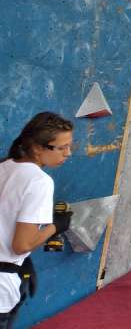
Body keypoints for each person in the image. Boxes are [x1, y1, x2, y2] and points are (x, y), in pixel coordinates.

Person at [1, 112, 74, 328]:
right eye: (61, 147)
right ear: (36, 148)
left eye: (70, 146)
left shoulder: (4, 167)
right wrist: (56, 226)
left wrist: (23, 262)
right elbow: (21, 245)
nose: (68, 153)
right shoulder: (40, 181)